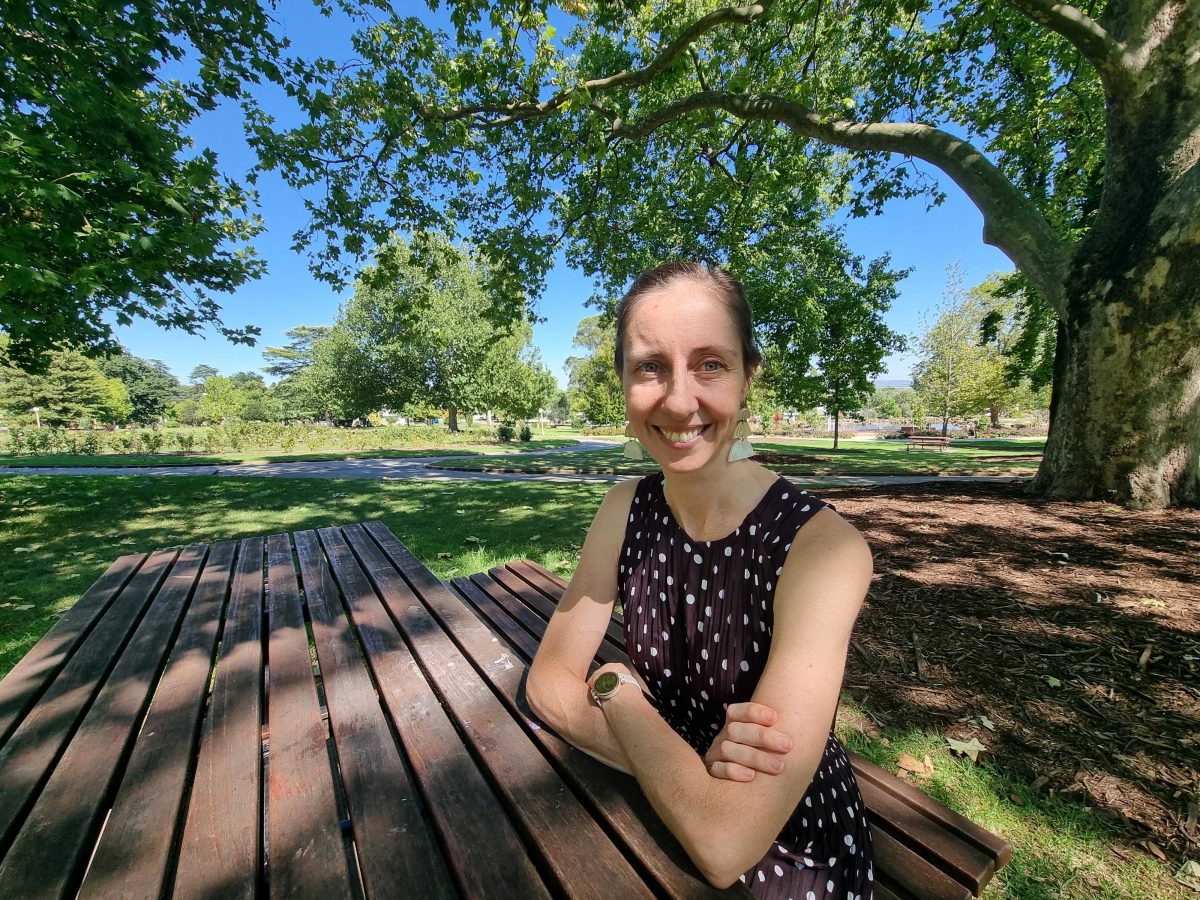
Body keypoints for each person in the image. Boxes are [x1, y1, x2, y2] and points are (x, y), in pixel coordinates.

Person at [526, 261, 874, 898]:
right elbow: (546, 682)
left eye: (710, 363)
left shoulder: (824, 549)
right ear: (623, 383)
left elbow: (725, 843)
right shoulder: (622, 508)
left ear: (748, 378)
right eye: (650, 366)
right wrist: (685, 765)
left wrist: (614, 692)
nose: (679, 400)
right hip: (664, 801)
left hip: (792, 848)